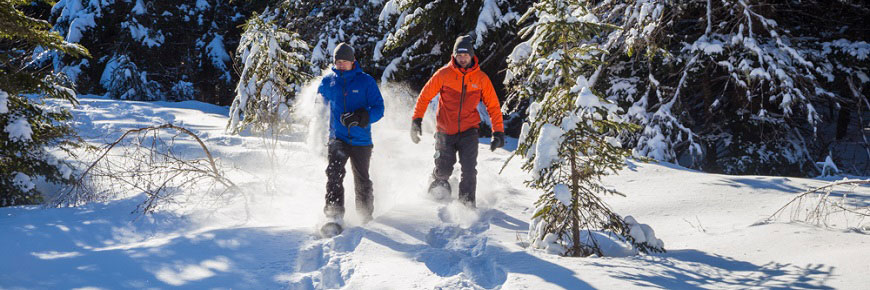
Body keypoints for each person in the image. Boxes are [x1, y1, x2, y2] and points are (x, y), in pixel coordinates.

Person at [410, 35, 505, 208]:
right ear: (454, 56)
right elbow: (424, 97)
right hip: (445, 131)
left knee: (469, 171)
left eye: (465, 55)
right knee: (444, 169)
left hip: (469, 131)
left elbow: (493, 106)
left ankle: (466, 205)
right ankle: (438, 179)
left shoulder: (481, 78)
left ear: (471, 55)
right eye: (459, 55)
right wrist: (416, 120)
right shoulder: (444, 74)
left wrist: (498, 131)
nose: (462, 58)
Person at [318, 43, 385, 225]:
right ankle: (334, 215)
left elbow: (379, 108)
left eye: (345, 61)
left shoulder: (366, 81)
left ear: (353, 61)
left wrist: (361, 117)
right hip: (337, 138)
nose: (341, 65)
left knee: (362, 178)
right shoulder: (328, 81)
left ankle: (365, 216)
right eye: (338, 61)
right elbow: (319, 107)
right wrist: (318, 132)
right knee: (334, 173)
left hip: (361, 140)